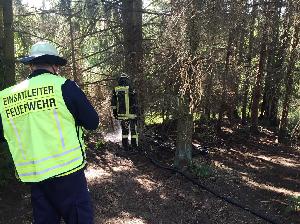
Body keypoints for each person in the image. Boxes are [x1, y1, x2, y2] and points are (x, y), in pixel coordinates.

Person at [0, 41, 99, 223]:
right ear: (55, 65)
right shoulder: (65, 87)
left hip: (35, 177)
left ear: (31, 65)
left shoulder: (6, 97)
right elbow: (92, 122)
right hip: (69, 174)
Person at [111, 73, 139, 149]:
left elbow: (113, 103)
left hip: (122, 114)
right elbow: (135, 101)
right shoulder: (131, 88)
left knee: (124, 131)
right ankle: (134, 146)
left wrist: (115, 112)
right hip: (132, 114)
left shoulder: (116, 89)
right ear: (127, 80)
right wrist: (137, 112)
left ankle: (125, 146)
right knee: (133, 131)